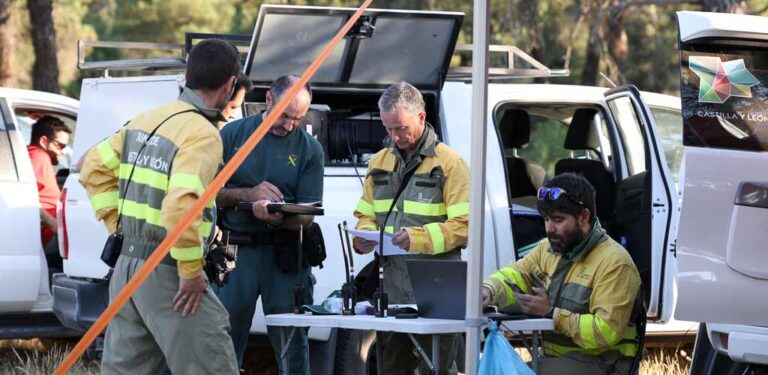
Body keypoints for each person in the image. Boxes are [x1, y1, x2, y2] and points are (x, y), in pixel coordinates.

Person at [78, 39, 241, 375]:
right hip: (168, 271)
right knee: (212, 364)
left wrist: (118, 228)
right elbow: (181, 208)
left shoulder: (145, 120)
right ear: (229, 86)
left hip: (127, 268)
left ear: (186, 74)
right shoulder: (203, 134)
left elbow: (92, 168)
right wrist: (191, 273)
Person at [352, 82, 470, 375]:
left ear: (421, 117)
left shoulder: (450, 164)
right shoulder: (379, 162)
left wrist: (417, 239)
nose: (395, 136)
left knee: (438, 368)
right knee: (392, 367)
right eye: (388, 128)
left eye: (401, 128)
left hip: (438, 284)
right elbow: (365, 214)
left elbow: (464, 227)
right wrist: (363, 237)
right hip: (391, 286)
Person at [215, 75, 323, 374]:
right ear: (267, 101)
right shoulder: (233, 135)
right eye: (284, 115)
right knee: (224, 341)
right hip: (236, 255)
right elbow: (209, 193)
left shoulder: (310, 149)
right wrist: (248, 197)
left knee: (292, 343)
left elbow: (309, 214)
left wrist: (279, 216)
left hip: (285, 257)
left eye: (298, 118)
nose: (289, 125)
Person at [481, 173, 642, 375]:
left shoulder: (615, 262)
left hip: (604, 363)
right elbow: (517, 274)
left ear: (584, 217)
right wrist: (488, 291)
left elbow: (605, 331)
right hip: (556, 360)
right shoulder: (547, 249)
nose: (549, 228)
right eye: (546, 219)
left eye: (558, 220)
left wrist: (551, 314)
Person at [27, 115, 71, 271]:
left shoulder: (37, 156)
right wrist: (56, 226)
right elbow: (26, 196)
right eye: (60, 145)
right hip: (48, 239)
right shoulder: (39, 156)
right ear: (44, 141)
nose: (63, 152)